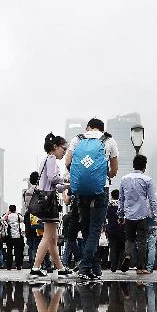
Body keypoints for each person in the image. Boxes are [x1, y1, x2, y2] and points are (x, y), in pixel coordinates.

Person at [65, 118, 119, 281]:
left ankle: (94, 268)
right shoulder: (109, 140)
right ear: (102, 129)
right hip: (100, 188)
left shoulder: (77, 139)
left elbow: (67, 162)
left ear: (88, 128)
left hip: (81, 190)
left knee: (86, 228)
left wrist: (80, 175)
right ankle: (86, 266)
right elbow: (114, 170)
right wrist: (103, 175)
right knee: (96, 228)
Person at [29, 133, 72, 279]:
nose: (64, 152)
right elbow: (53, 179)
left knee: (52, 239)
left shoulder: (45, 160)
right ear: (55, 147)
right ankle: (35, 267)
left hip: (45, 201)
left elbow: (52, 184)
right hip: (50, 203)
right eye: (63, 148)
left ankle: (60, 268)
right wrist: (66, 179)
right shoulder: (52, 158)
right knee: (48, 237)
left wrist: (66, 186)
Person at [117, 154, 157, 275]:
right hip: (142, 215)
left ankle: (128, 255)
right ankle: (140, 267)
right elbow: (152, 200)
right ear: (144, 166)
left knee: (129, 239)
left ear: (133, 165)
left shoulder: (124, 179)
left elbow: (121, 198)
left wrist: (120, 215)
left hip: (129, 215)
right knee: (142, 241)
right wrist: (155, 216)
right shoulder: (147, 180)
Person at [105, 189, 125, 271]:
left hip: (111, 229)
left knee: (113, 248)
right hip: (122, 229)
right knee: (122, 248)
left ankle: (113, 266)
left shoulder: (109, 205)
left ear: (112, 196)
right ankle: (121, 265)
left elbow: (106, 216)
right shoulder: (122, 205)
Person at [2, 204, 24, 270]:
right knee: (18, 252)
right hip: (17, 236)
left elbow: (2, 219)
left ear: (9, 209)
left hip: (9, 236)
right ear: (15, 209)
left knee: (9, 251)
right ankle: (18, 265)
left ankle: (9, 266)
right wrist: (17, 213)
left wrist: (7, 213)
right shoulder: (18, 216)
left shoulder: (7, 216)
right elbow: (23, 220)